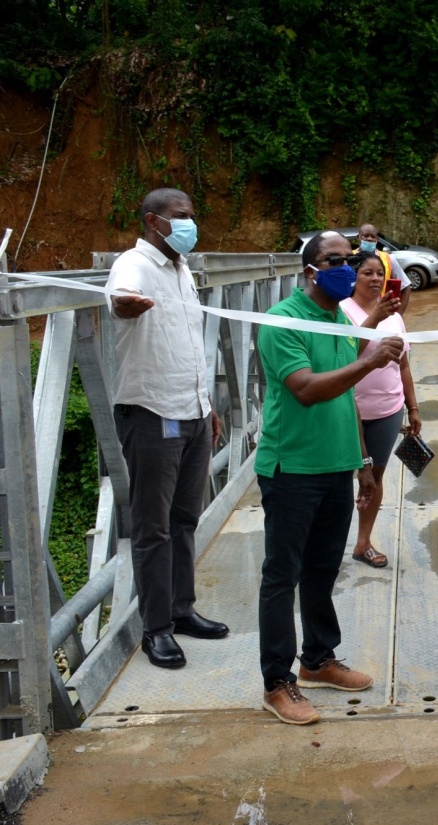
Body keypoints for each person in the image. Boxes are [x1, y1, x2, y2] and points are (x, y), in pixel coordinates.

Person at [256, 230, 407, 724]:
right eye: (335, 260)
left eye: (352, 259)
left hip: (337, 467)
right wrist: (367, 360)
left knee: (322, 569)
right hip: (292, 468)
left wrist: (362, 464)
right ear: (310, 271)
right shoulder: (282, 321)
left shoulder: (339, 320)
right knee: (282, 576)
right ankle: (278, 682)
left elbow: (347, 401)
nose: (347, 267)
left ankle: (319, 659)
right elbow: (305, 389)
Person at [106, 187, 228, 670]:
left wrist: (209, 405)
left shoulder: (181, 271)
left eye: (192, 215)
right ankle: (155, 628)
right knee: (153, 527)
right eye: (181, 217)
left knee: (184, 520)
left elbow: (188, 345)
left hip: (192, 413)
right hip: (153, 412)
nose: (189, 224)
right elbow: (120, 301)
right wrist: (126, 306)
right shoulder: (133, 265)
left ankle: (181, 609)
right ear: (154, 221)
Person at [340, 253, 421, 569]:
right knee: (339, 479)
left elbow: (403, 365)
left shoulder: (395, 315)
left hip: (388, 410)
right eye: (367, 273)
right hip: (348, 410)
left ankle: (363, 543)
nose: (375, 279)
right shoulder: (342, 312)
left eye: (380, 274)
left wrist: (412, 407)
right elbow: (346, 356)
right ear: (353, 278)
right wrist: (373, 317)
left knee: (374, 477)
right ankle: (328, 546)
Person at [354, 223, 412, 315]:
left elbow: (405, 287)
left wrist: (398, 316)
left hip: (383, 314)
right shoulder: (350, 258)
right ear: (358, 237)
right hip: (355, 313)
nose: (369, 239)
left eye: (373, 236)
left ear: (377, 239)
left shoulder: (388, 259)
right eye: (365, 236)